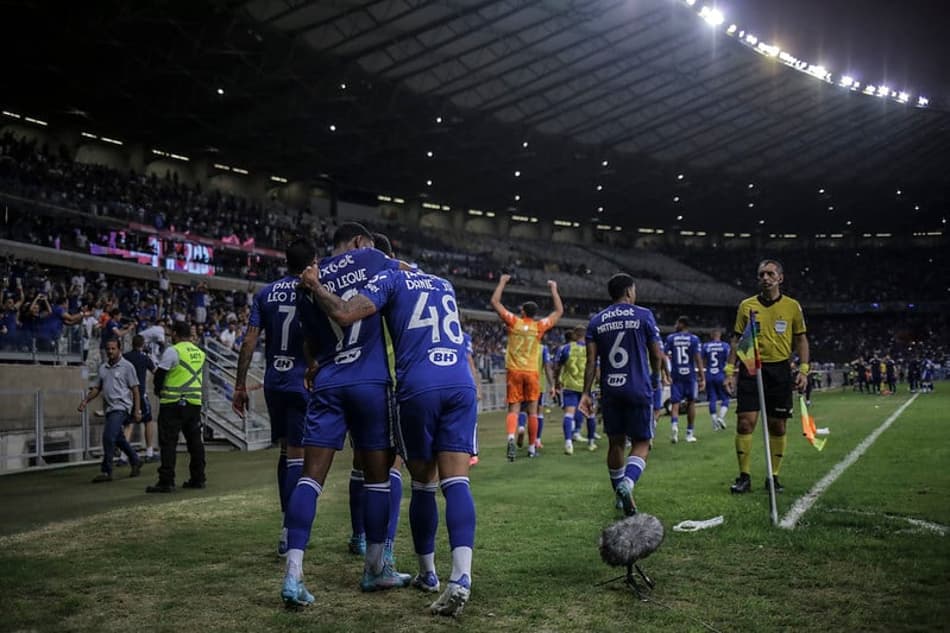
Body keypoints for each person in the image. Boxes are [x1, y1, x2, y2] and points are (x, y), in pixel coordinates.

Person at [307, 262, 478, 617]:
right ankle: (461, 577)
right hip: (461, 381)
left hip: (419, 386)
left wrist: (315, 286)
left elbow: (344, 313)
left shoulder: (390, 278)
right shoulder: (444, 282)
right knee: (458, 482)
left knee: (423, 484)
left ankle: (428, 574)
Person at [279, 223, 408, 607]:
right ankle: (375, 568)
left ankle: (293, 574)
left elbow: (311, 345)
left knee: (310, 478)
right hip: (369, 382)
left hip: (330, 382)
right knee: (378, 479)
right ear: (358, 242)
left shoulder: (308, 283)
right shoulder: (373, 258)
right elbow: (409, 275)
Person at [234, 237, 315, 556]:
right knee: (298, 456)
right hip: (301, 380)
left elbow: (249, 341)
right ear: (309, 264)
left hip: (273, 382)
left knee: (286, 452)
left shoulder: (265, 293)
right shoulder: (310, 290)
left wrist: (240, 385)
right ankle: (289, 532)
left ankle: (286, 522)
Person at [580, 274, 666, 515]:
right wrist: (656, 379)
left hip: (611, 389)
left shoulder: (596, 321)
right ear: (629, 292)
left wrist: (586, 393)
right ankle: (627, 484)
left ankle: (619, 494)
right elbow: (656, 354)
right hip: (638, 388)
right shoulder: (643, 315)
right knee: (642, 442)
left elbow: (590, 361)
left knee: (615, 443)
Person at [724, 259, 809, 494]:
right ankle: (744, 476)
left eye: (770, 274)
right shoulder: (746, 306)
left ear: (780, 278)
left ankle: (773, 477)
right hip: (752, 368)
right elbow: (737, 340)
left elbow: (801, 339)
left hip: (780, 370)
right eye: (762, 274)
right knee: (745, 422)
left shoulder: (793, 307)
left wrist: (803, 369)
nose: (765, 278)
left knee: (778, 426)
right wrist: (730, 371)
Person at [490, 274, 563, 459]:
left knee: (514, 409)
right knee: (532, 410)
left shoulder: (514, 322)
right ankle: (531, 449)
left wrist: (502, 282)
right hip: (531, 372)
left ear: (522, 312)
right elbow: (559, 311)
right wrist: (553, 288)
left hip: (514, 371)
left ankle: (510, 439)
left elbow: (495, 302)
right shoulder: (539, 326)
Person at [146, 320, 207, 493]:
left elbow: (161, 375)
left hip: (172, 403)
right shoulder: (199, 352)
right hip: (194, 403)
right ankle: (198, 478)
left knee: (168, 443)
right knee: (195, 443)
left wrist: (158, 390)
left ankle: (166, 480)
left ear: (175, 334)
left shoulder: (173, 351)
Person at [78, 339, 143, 483]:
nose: (110, 351)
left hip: (121, 407)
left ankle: (107, 471)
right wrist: (85, 401)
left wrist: (137, 409)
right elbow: (96, 388)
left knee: (108, 436)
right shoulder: (103, 368)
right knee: (118, 438)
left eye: (113, 348)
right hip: (109, 408)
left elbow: (135, 389)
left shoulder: (127, 366)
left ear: (119, 349)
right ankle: (135, 459)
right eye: (108, 349)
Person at [664, 317, 705, 443]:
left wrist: (666, 373)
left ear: (682, 324)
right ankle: (689, 433)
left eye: (677, 322)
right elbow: (698, 358)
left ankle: (674, 428)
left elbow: (664, 355)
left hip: (676, 374)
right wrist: (702, 377)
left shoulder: (671, 338)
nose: (675, 325)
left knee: (675, 403)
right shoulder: (694, 339)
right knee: (691, 402)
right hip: (690, 375)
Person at [556, 326, 596, 454]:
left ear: (574, 334)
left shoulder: (566, 348)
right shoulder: (592, 348)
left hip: (570, 386)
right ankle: (591, 442)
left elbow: (558, 366)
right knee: (590, 414)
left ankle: (568, 443)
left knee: (569, 414)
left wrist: (557, 382)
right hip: (587, 387)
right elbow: (597, 367)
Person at [123, 334, 158, 463]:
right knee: (148, 421)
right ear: (142, 345)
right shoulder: (144, 358)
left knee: (129, 423)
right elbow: (156, 371)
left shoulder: (125, 357)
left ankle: (123, 455)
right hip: (140, 392)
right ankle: (149, 452)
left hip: (127, 394)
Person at [702, 328, 731, 431]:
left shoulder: (706, 346)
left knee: (712, 399)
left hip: (709, 374)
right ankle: (720, 418)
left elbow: (702, 360)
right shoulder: (725, 346)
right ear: (720, 335)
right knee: (726, 398)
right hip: (721, 374)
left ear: (711, 335)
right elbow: (729, 360)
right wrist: (729, 376)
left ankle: (714, 424)